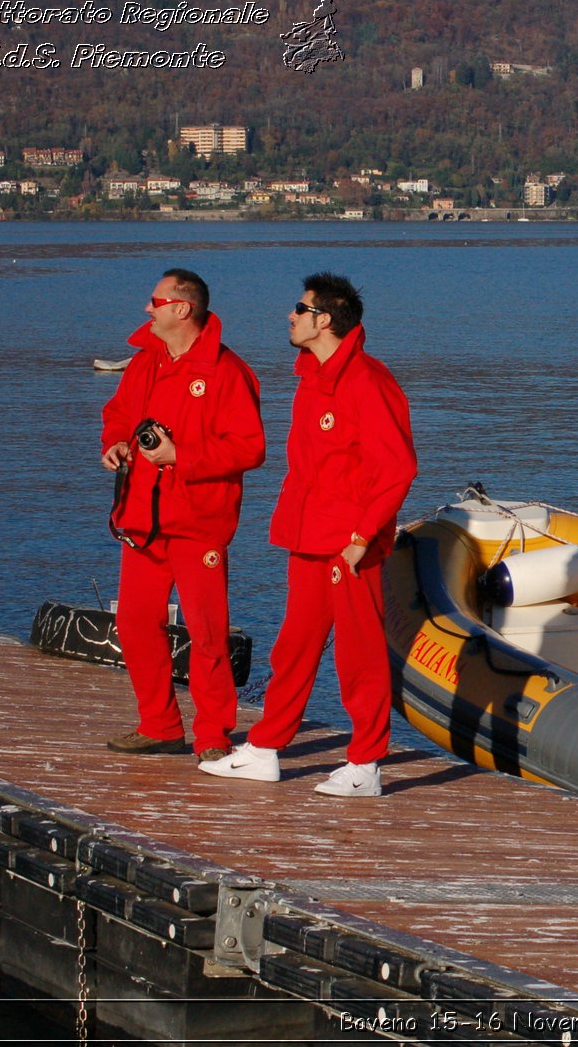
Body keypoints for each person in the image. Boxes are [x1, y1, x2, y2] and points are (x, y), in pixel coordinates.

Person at [202, 273, 416, 797]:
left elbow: (398, 467)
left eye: (299, 309)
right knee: (293, 645)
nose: (289, 316)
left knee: (358, 653)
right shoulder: (312, 378)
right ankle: (266, 748)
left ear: (325, 319)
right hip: (309, 536)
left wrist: (363, 536)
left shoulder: (367, 380)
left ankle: (366, 763)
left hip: (348, 544)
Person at [100, 268, 266, 760]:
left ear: (181, 308)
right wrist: (115, 443)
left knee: (208, 633)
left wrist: (181, 455)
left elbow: (250, 447)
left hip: (198, 523)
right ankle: (160, 724)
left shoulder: (228, 371)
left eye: (154, 301)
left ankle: (213, 736)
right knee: (133, 623)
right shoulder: (143, 362)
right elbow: (120, 414)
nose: (146, 309)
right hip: (143, 523)